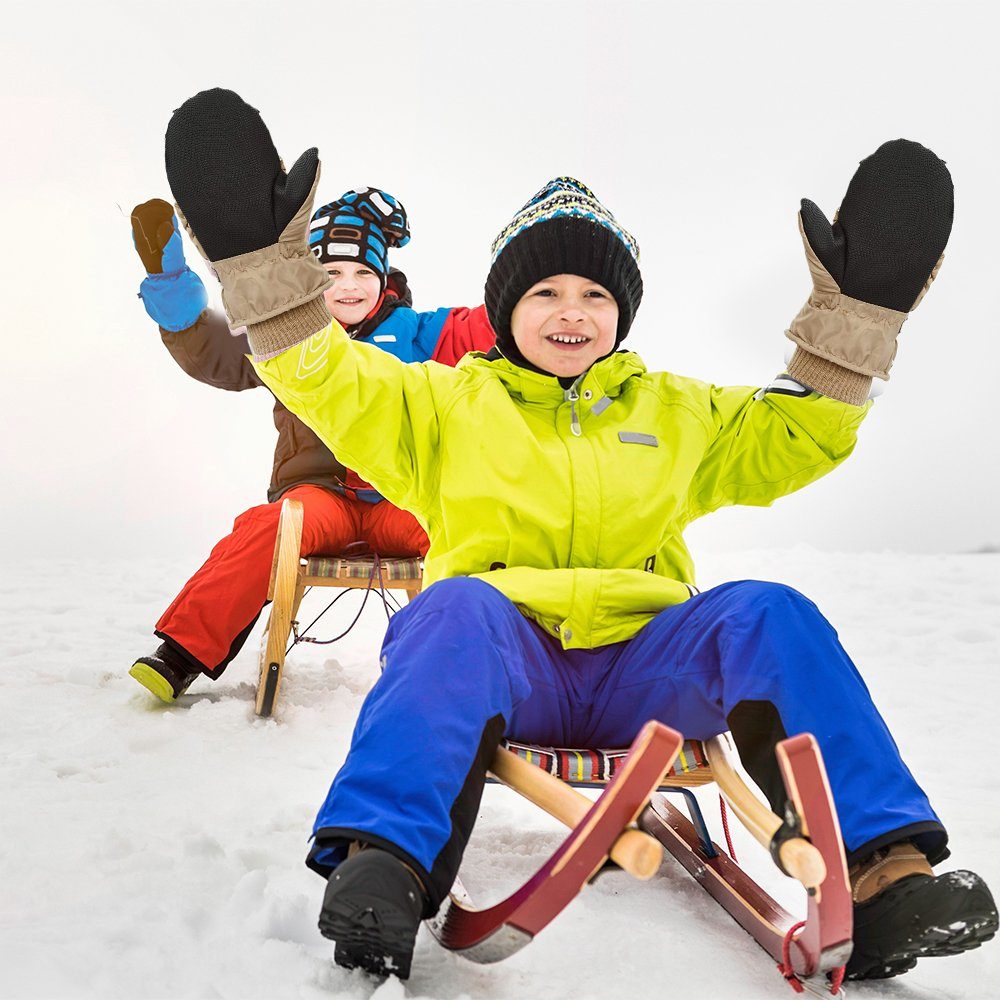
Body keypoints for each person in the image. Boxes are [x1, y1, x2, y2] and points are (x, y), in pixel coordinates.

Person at [163, 88, 998, 982]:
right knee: (448, 613)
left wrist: (854, 331)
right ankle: (387, 865)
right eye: (547, 290)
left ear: (621, 312)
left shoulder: (676, 409)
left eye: (596, 292)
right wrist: (262, 273)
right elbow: (324, 378)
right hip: (511, 658)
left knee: (770, 612)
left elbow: (794, 434)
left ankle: (884, 871)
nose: (573, 309)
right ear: (508, 308)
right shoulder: (444, 404)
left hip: (651, 665)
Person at [127, 187, 494, 702]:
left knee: (464, 528)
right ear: (308, 280)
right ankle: (182, 653)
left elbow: (494, 325)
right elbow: (212, 349)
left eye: (364, 273)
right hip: (320, 497)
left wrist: (540, 280)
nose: (349, 287)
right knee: (271, 526)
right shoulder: (286, 336)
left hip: (402, 494)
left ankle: (478, 663)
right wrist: (171, 288)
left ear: (383, 280)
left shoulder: (420, 333)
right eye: (332, 274)